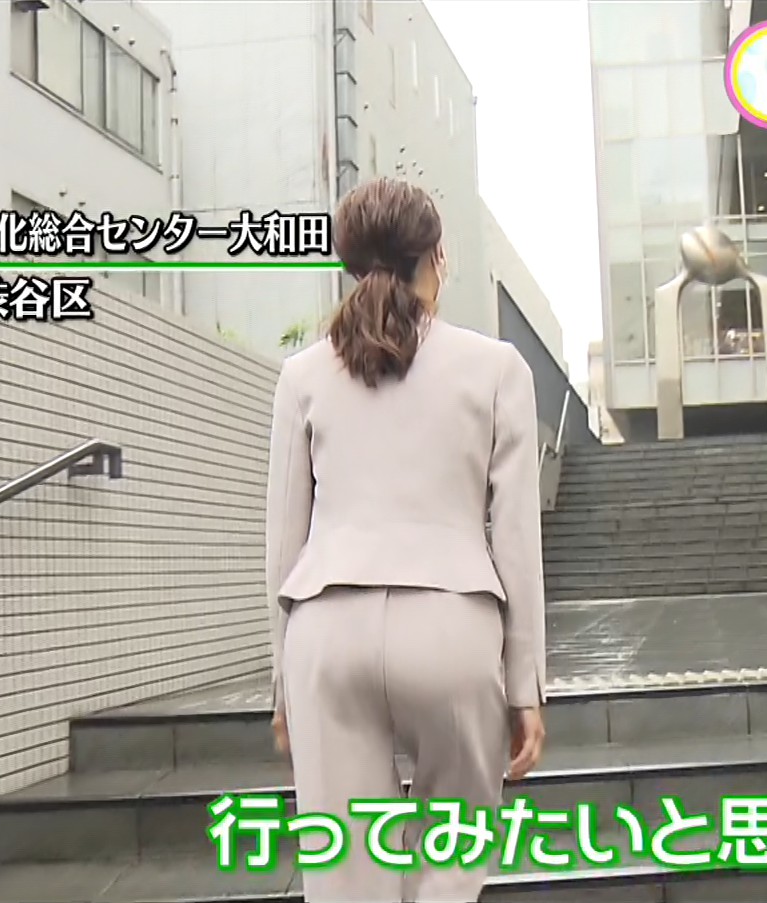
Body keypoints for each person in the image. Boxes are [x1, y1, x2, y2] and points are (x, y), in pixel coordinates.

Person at [264, 178, 547, 902]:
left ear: (351, 263)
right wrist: (524, 685)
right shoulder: (496, 369)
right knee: (452, 854)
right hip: (451, 623)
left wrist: (283, 687)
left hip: (326, 629)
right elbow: (516, 539)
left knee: (346, 871)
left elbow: (284, 542)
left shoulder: (302, 375)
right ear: (437, 258)